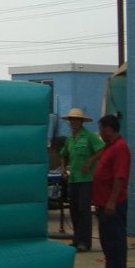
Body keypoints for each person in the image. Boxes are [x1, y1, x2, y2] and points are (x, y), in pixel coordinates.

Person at [92, 114, 131, 268]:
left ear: (108, 129)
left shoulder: (120, 148)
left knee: (115, 237)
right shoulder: (109, 147)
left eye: (101, 130)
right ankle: (110, 267)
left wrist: (112, 201)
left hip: (113, 203)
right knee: (106, 237)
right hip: (103, 202)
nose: (100, 133)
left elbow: (119, 177)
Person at [59, 108, 104, 252]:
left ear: (81, 121)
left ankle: (85, 242)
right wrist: (63, 169)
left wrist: (90, 161)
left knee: (83, 210)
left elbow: (101, 150)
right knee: (74, 210)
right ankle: (76, 239)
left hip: (86, 179)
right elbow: (63, 155)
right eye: (71, 120)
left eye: (76, 119)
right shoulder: (70, 139)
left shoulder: (89, 136)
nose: (73, 122)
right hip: (73, 179)